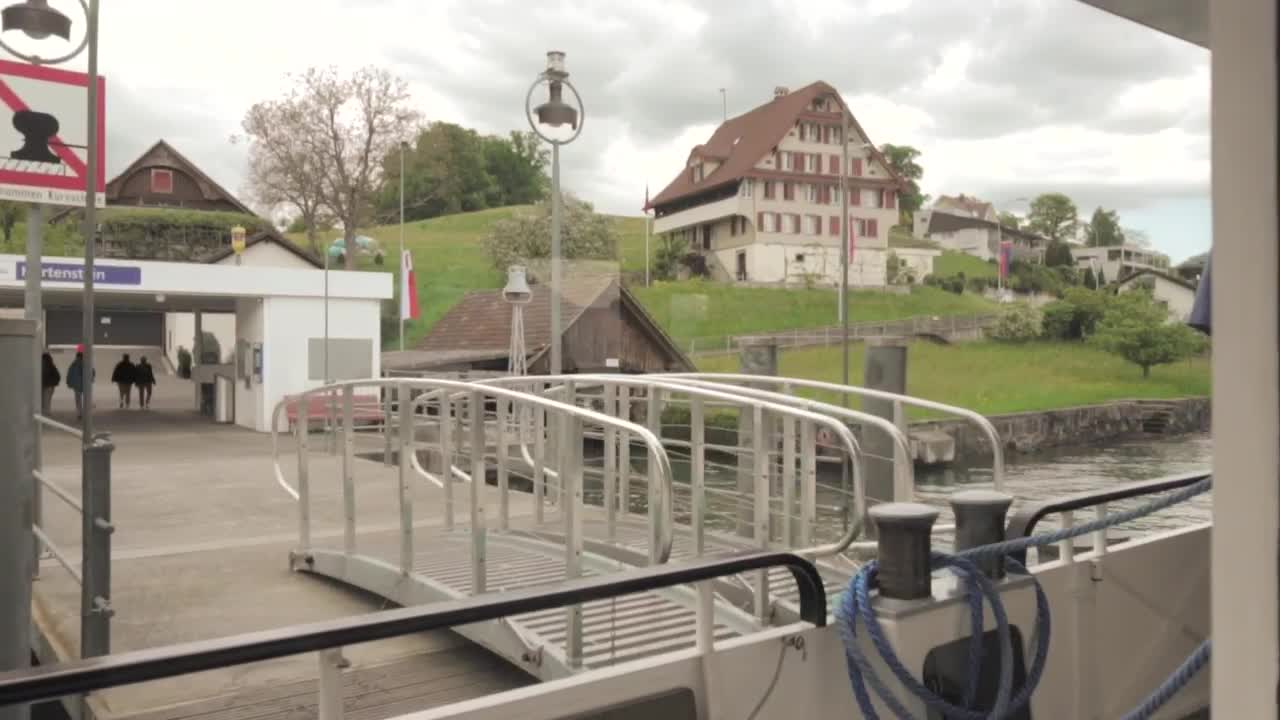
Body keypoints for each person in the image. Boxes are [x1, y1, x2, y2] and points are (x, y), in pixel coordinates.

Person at [66, 346, 92, 420]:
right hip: (85, 384)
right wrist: (91, 379)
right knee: (86, 399)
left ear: (77, 357)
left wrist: (68, 383)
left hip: (76, 385)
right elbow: (92, 372)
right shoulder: (87, 364)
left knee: (78, 399)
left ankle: (79, 413)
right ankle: (85, 412)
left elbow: (69, 374)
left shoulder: (73, 364)